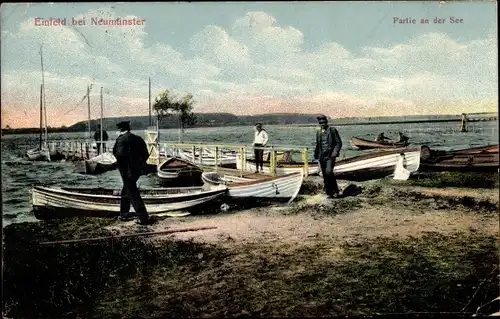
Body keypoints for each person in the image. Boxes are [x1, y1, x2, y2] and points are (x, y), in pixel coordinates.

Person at [112, 121, 152, 225]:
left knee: (132, 192)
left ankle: (143, 218)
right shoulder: (137, 138)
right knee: (126, 190)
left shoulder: (121, 139)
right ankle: (124, 214)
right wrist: (138, 164)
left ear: (120, 130)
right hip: (137, 170)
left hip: (126, 171)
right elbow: (146, 154)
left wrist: (118, 163)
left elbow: (119, 155)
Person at [313, 115, 342, 199]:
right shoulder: (318, 132)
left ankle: (336, 191)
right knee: (325, 175)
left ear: (326, 122)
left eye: (324, 122)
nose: (322, 124)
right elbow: (318, 145)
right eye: (320, 123)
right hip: (321, 156)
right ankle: (329, 193)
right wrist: (316, 155)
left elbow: (338, 143)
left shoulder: (332, 130)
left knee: (329, 172)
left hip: (330, 156)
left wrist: (335, 152)